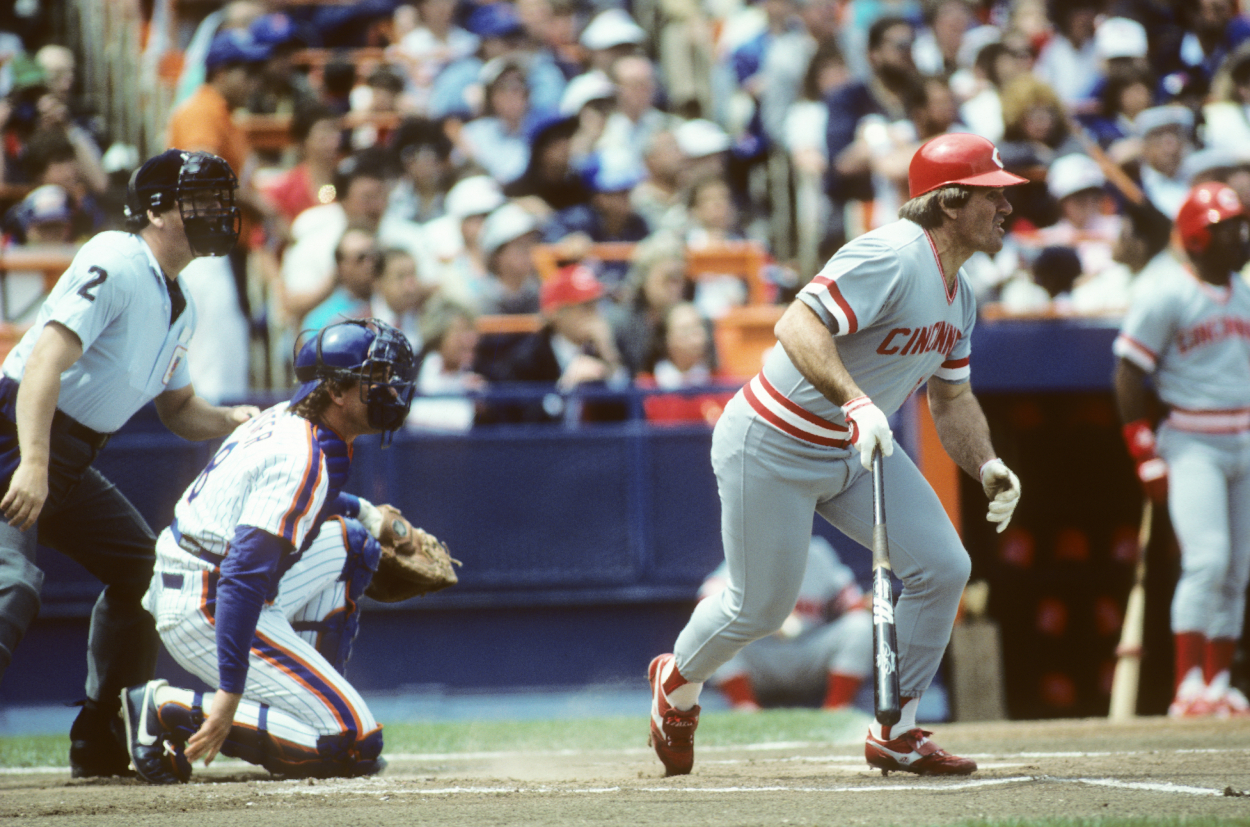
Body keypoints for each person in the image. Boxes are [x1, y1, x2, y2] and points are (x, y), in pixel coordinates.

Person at [646, 132, 1025, 778]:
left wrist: (986, 462)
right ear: (951, 202)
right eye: (993, 195)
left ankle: (896, 729)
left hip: (852, 449)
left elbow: (952, 397)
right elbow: (796, 323)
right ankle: (675, 684)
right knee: (759, 607)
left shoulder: (960, 292)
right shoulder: (892, 253)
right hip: (772, 439)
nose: (1007, 209)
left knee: (943, 565)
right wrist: (854, 402)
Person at [0, 149, 260, 777]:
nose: (216, 212)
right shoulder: (114, 257)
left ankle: (99, 734)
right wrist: (31, 461)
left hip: (69, 452)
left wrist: (231, 419)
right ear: (156, 210)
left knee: (146, 574)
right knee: (9, 585)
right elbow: (43, 363)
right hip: (14, 433)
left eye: (219, 199)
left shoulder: (182, 302)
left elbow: (179, 410)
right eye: (199, 200)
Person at [121, 318, 418, 783]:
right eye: (374, 379)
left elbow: (303, 501)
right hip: (212, 599)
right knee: (354, 747)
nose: (389, 389)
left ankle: (306, 711)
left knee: (353, 544)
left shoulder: (290, 417)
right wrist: (228, 695)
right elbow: (241, 577)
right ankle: (167, 707)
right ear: (338, 391)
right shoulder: (301, 455)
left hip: (211, 576)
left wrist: (370, 515)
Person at [1112, 181, 1250, 719]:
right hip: (1192, 439)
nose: (1238, 236)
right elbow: (1128, 372)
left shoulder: (1243, 292)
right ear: (1196, 236)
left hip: (1242, 436)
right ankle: (1187, 683)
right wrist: (1142, 447)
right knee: (1208, 560)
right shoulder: (1166, 291)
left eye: (1239, 226)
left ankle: (1218, 683)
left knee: (1238, 570)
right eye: (1225, 228)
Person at [698, 536, 872, 711]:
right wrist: (759, 618)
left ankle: (836, 708)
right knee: (712, 627)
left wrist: (867, 604)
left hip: (807, 653)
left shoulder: (817, 552)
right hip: (760, 654)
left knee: (860, 625)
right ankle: (745, 708)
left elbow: (852, 603)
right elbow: (707, 599)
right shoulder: (749, 550)